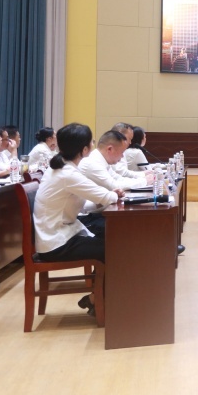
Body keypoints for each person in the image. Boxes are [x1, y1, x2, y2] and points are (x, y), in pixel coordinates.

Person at [33, 123, 122, 318]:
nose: (93, 145)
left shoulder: (62, 168)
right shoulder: (68, 174)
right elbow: (107, 197)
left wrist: (108, 196)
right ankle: (100, 300)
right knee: (116, 248)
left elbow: (83, 204)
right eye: (91, 142)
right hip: (56, 244)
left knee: (112, 241)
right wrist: (114, 194)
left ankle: (98, 298)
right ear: (84, 149)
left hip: (59, 235)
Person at [78, 130, 147, 192]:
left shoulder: (101, 159)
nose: (122, 156)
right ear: (110, 149)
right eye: (122, 152)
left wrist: (142, 179)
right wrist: (144, 181)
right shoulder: (93, 163)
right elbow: (114, 186)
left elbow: (118, 178)